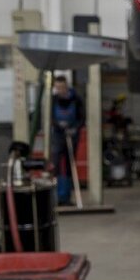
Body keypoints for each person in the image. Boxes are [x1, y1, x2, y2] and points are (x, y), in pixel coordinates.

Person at [50, 75, 85, 204]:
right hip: (58, 135)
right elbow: (50, 117)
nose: (60, 90)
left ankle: (68, 197)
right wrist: (58, 125)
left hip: (72, 135)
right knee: (57, 164)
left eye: (62, 87)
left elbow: (82, 117)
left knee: (71, 165)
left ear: (67, 86)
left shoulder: (76, 99)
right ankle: (58, 197)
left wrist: (74, 128)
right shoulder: (53, 100)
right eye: (57, 87)